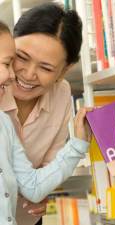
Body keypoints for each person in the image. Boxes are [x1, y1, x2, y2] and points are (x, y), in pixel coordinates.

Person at [0, 20, 92, 225]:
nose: (13, 75)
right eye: (16, 59)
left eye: (46, 67)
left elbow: (34, 187)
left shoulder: (4, 125)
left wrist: (78, 144)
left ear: (64, 70)